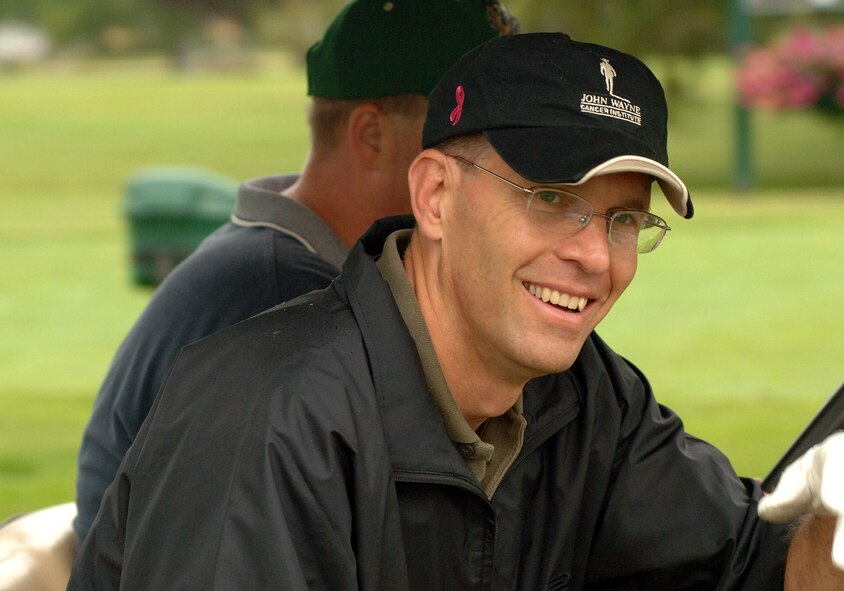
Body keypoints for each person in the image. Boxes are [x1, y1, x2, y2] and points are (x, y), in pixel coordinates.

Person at [68, 33, 844, 589]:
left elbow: (754, 568)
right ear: (435, 195)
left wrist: (836, 534)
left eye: (624, 220)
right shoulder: (269, 417)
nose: (598, 258)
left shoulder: (585, 399)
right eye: (551, 199)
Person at [72, 0, 519, 544]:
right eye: (474, 135)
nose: (509, 166)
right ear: (372, 136)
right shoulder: (289, 302)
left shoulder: (283, 268)